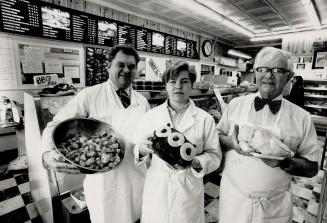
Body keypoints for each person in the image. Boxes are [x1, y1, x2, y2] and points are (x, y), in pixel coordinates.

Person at [42, 45, 150, 223]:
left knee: (136, 217)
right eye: (120, 64)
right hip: (104, 185)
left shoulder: (142, 101)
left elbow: (146, 138)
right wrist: (46, 154)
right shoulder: (89, 96)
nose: (126, 70)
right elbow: (54, 125)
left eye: (131, 66)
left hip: (136, 179)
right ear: (109, 66)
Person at [217, 47, 319, 223]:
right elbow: (218, 136)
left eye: (278, 70)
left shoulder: (302, 118)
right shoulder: (235, 105)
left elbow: (312, 168)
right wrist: (231, 142)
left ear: (289, 75)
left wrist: (286, 162)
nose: (269, 75)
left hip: (274, 208)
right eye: (262, 69)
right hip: (234, 201)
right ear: (255, 73)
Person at [133, 61, 222, 223]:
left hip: (187, 192)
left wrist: (195, 162)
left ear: (191, 85)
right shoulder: (150, 117)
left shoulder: (204, 119)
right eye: (173, 81)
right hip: (157, 190)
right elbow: (137, 149)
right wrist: (142, 149)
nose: (178, 86)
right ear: (166, 85)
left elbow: (214, 156)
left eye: (184, 81)